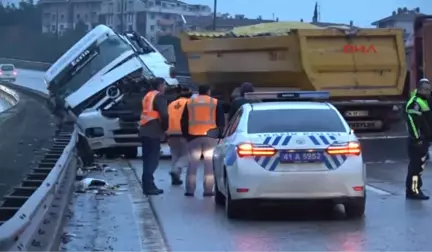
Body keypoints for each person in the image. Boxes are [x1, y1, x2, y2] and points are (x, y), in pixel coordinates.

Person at [181, 85, 225, 197]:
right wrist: (220, 136)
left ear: (198, 92)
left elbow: (184, 121)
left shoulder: (190, 102)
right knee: (209, 165)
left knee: (192, 165)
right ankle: (208, 190)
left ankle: (190, 190)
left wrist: (186, 136)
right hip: (210, 137)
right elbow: (221, 121)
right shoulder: (215, 102)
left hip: (193, 136)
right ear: (209, 91)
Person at [139, 77, 168, 195]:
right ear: (160, 85)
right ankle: (149, 186)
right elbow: (164, 115)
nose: (165, 87)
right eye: (164, 85)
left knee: (147, 160)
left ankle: (147, 185)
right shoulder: (159, 96)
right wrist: (165, 128)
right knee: (153, 160)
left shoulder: (147, 96)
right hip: (153, 131)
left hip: (144, 130)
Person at [405, 78, 432, 200]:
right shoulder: (415, 103)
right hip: (417, 142)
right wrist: (417, 138)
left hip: (423, 140)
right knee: (416, 168)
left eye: (429, 89)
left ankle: (414, 189)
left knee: (418, 167)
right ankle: (413, 190)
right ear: (420, 89)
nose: (428, 91)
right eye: (425, 89)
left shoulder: (424, 101)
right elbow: (412, 123)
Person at [166, 86, 192, 185]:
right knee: (187, 155)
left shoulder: (171, 104)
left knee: (175, 156)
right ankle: (176, 170)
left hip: (171, 133)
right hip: (183, 133)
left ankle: (175, 179)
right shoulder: (189, 103)